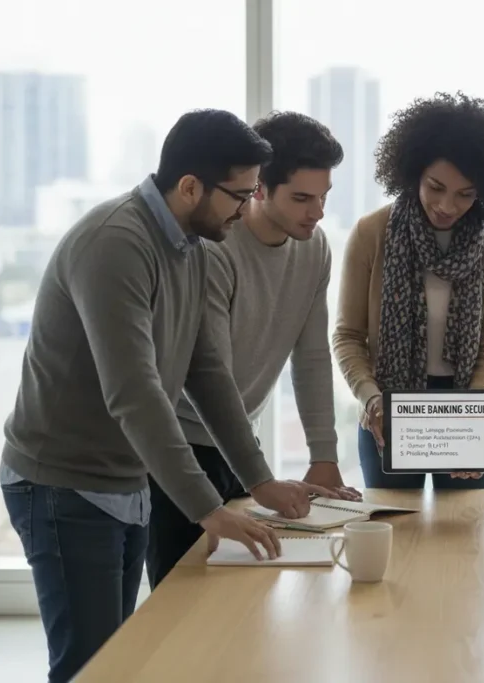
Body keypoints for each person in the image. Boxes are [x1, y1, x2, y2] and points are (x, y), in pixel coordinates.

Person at [0, 109, 337, 683]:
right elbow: (136, 394)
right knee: (90, 667)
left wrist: (259, 482)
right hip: (62, 483)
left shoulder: (194, 246)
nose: (245, 206)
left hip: (123, 478)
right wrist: (209, 509)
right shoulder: (116, 244)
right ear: (189, 187)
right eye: (240, 193)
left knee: (126, 657)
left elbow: (208, 372)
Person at [147, 111, 362, 589]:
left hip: (237, 442)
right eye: (302, 198)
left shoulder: (315, 247)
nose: (318, 211)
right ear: (258, 188)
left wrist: (323, 455)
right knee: (180, 596)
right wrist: (261, 476)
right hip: (179, 446)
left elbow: (310, 356)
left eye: (324, 196)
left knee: (246, 589)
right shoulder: (216, 249)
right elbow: (211, 375)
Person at [333, 92, 484, 489]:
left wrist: (472, 417)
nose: (447, 205)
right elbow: (348, 336)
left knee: (464, 534)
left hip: (468, 407)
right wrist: (372, 400)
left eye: (465, 194)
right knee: (394, 533)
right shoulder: (371, 233)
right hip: (387, 409)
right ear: (412, 172)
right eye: (435, 186)